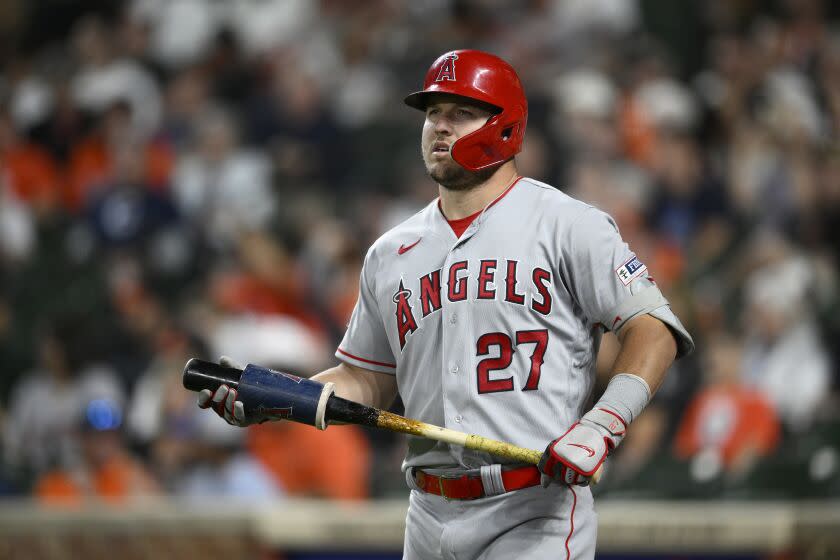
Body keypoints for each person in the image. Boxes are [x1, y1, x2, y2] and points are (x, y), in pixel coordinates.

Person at [197, 50, 693, 560]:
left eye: (461, 112)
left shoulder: (568, 225)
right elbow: (367, 380)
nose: (439, 125)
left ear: (505, 125)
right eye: (433, 112)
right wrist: (273, 397)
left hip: (533, 509)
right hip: (428, 515)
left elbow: (652, 328)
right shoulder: (391, 252)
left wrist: (603, 424)